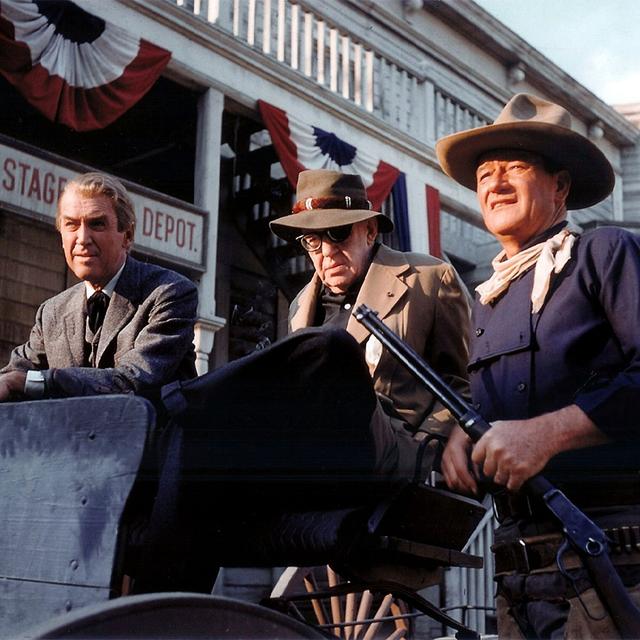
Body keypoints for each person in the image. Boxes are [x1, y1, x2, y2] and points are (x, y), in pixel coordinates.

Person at [436, 93, 640, 638]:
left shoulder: (604, 254)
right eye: (485, 174)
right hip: (519, 582)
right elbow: (505, 411)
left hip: (613, 569)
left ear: (561, 187)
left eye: (516, 169)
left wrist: (547, 434)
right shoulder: (488, 298)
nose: (495, 184)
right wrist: (464, 430)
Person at [269, 168, 470, 478]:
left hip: (395, 473)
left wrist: (421, 449)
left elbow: (465, 383)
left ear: (370, 231)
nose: (327, 251)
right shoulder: (299, 307)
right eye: (312, 240)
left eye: (338, 233)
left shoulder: (428, 279)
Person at [0, 171, 198, 403]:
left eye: (97, 224)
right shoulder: (51, 312)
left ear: (128, 235)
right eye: (71, 225)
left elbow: (132, 380)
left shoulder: (169, 293)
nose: (82, 238)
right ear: (61, 236)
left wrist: (32, 382)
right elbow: (11, 376)